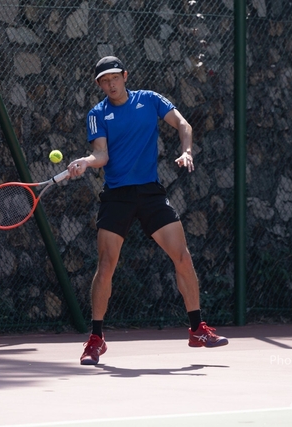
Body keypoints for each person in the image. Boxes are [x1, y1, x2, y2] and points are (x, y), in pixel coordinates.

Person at [67, 56, 228, 366]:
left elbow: (183, 124)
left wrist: (187, 150)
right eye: (104, 81)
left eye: (114, 77)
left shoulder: (150, 100)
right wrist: (86, 162)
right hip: (117, 196)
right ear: (99, 85)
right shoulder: (97, 114)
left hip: (150, 193)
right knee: (106, 264)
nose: (111, 84)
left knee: (182, 257)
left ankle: (197, 330)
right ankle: (96, 339)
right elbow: (101, 154)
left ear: (125, 76)